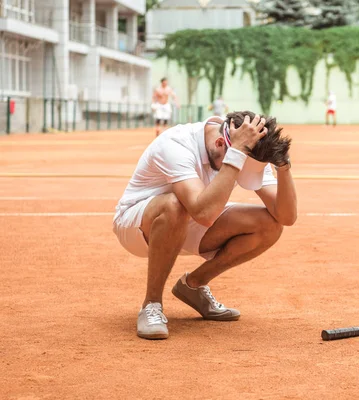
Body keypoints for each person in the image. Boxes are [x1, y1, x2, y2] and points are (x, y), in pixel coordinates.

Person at [112, 111, 297, 340]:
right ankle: (152, 304)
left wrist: (283, 166)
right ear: (221, 143)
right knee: (175, 205)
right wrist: (236, 155)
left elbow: (286, 217)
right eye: (237, 164)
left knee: (270, 225)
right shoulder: (176, 144)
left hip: (189, 221)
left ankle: (193, 286)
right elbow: (204, 214)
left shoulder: (245, 146)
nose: (239, 172)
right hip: (138, 226)